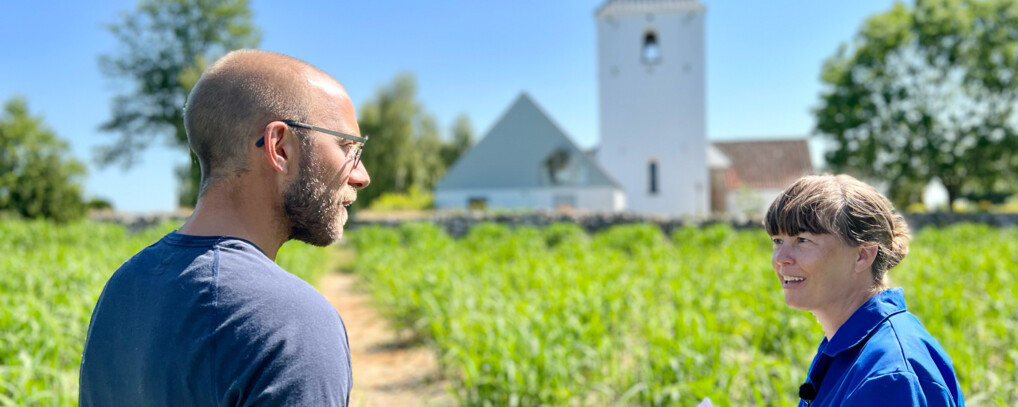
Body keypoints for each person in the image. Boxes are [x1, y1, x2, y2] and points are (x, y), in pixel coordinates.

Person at [79, 49, 370, 406]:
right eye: (347, 148)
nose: (361, 176)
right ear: (279, 147)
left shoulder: (123, 288)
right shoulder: (293, 328)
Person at [765, 174, 964, 407]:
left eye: (802, 240)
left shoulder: (890, 377)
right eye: (777, 241)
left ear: (862, 255)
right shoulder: (851, 349)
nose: (780, 259)